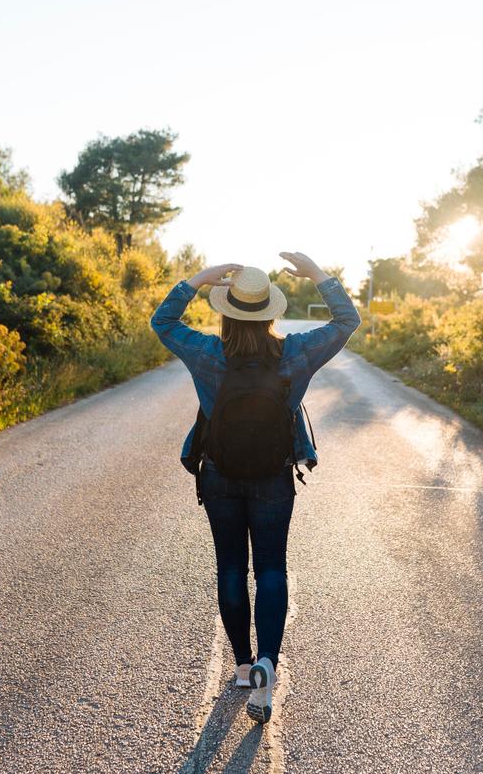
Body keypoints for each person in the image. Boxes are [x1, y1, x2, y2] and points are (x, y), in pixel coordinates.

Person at [150, 251, 361, 724]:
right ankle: (268, 661)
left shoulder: (207, 353)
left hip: (220, 473)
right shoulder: (296, 352)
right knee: (270, 567)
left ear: (226, 312)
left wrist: (198, 280)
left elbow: (162, 322)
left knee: (230, 566)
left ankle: (244, 667)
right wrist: (318, 274)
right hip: (273, 476)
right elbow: (348, 320)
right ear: (271, 311)